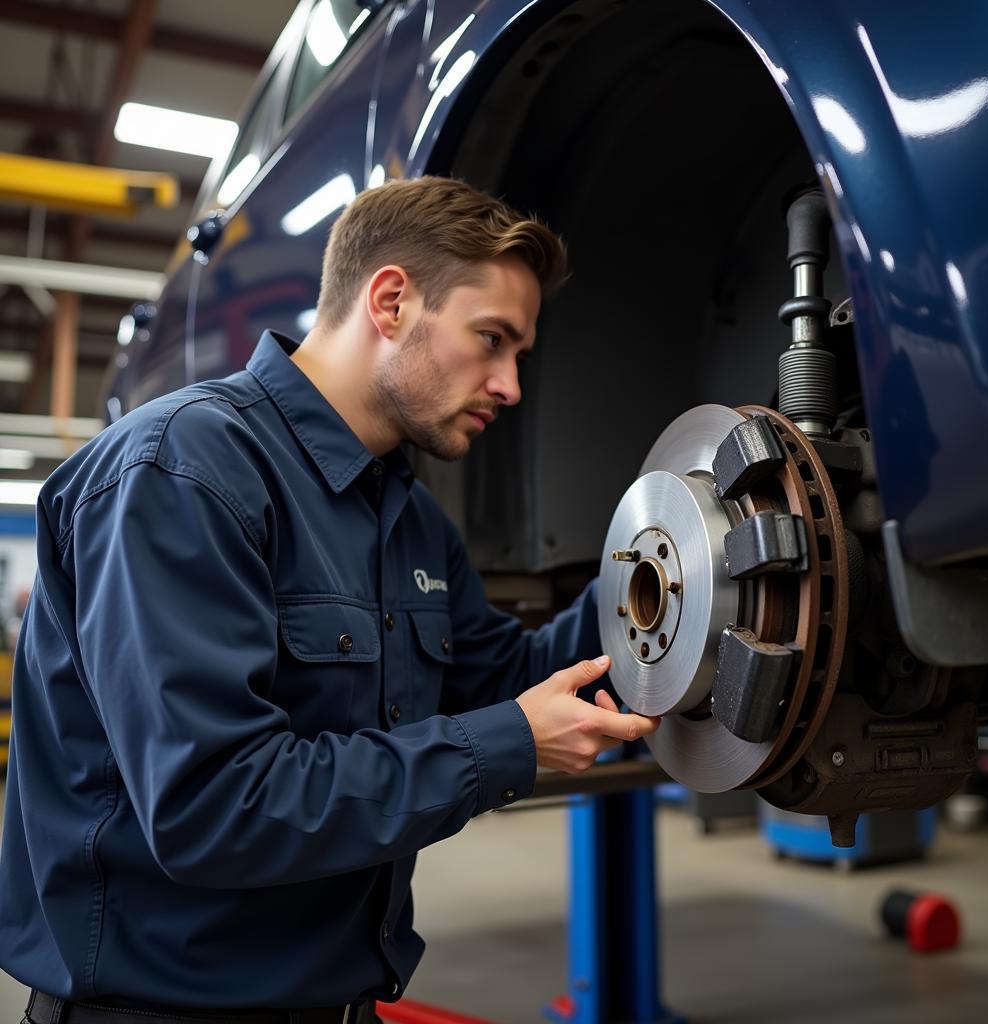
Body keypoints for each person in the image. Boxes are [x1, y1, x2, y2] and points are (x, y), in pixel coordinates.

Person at [0, 176, 660, 1023]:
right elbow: (214, 804)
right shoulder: (183, 473)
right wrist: (506, 745)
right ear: (391, 302)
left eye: (518, 355)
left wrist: (658, 569)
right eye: (490, 339)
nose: (509, 386)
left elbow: (510, 677)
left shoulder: (410, 517)